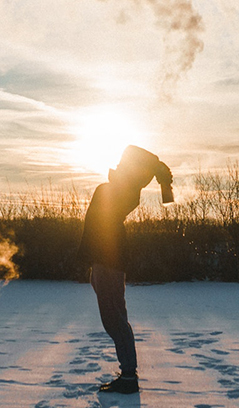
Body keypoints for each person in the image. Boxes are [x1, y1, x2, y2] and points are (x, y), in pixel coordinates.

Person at [79, 145, 173, 395]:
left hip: (108, 261)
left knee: (114, 319)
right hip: (103, 261)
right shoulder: (118, 189)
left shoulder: (124, 190)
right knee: (114, 318)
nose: (119, 165)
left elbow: (135, 152)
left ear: (133, 171)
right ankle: (128, 374)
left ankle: (129, 376)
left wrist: (157, 167)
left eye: (124, 164)